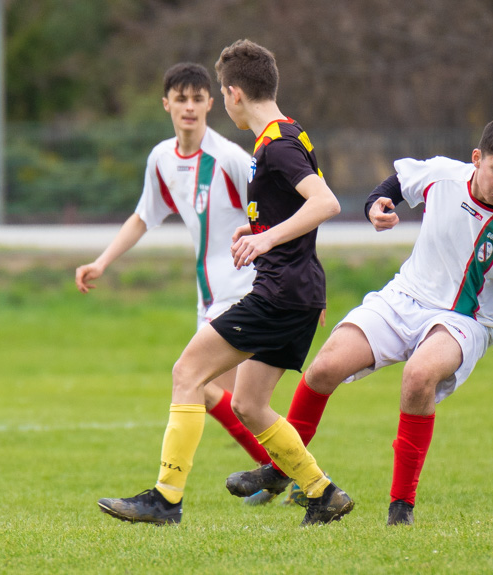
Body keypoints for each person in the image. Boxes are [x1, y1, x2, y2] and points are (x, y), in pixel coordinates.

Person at [226, 116, 493, 526]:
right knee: (324, 367)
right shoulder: (443, 175)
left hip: (464, 320)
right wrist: (375, 206)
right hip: (404, 296)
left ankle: (400, 508)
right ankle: (281, 471)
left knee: (419, 377)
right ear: (477, 159)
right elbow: (396, 186)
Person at [95, 39, 354, 527]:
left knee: (187, 373)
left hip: (277, 294)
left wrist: (264, 241)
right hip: (298, 293)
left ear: (232, 95)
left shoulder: (273, 146)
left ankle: (165, 500)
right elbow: (293, 208)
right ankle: (322, 493)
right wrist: (256, 230)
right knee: (250, 404)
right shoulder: (288, 133)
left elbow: (325, 203)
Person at [75, 63, 275, 490]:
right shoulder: (162, 158)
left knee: (199, 384)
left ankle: (271, 477)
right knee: (238, 403)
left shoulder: (231, 160)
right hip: (209, 295)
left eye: (198, 98)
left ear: (210, 104)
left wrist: (295, 280)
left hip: (245, 290)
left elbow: (275, 218)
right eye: (180, 99)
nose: (189, 107)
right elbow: (144, 216)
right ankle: (282, 475)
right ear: (166, 104)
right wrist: (102, 262)